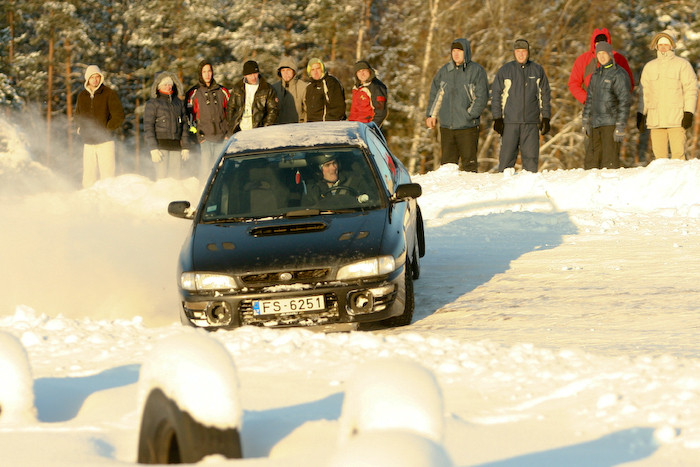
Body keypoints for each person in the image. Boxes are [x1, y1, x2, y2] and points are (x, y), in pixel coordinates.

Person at [425, 38, 489, 172]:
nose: (456, 54)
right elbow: (437, 95)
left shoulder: (476, 70)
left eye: (460, 51)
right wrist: (432, 115)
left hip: (467, 127)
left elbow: (481, 97)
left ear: (466, 52)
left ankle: (470, 192)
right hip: (447, 126)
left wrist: (469, 115)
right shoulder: (445, 71)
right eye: (454, 51)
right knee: (447, 167)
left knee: (469, 166)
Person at [491, 39, 551, 173]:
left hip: (530, 123)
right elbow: (496, 95)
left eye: (523, 52)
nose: (521, 55)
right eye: (518, 52)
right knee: (506, 161)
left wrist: (546, 117)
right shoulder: (505, 71)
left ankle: (529, 192)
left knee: (531, 163)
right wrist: (497, 118)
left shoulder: (537, 70)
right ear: (514, 53)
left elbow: (545, 95)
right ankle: (504, 190)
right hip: (510, 123)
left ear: (528, 53)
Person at [639, 31, 698, 160]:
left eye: (666, 44)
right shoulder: (649, 67)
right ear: (656, 46)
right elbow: (644, 93)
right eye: (661, 44)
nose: (663, 47)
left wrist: (689, 112)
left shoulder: (682, 65)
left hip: (676, 120)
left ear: (672, 46)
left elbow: (691, 89)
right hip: (656, 120)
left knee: (678, 157)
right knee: (660, 160)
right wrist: (641, 114)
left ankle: (681, 180)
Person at [582, 41, 631, 169]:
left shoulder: (619, 74)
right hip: (594, 124)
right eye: (599, 54)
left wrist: (620, 126)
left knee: (609, 163)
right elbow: (589, 99)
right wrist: (585, 120)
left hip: (610, 124)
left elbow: (624, 102)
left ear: (610, 54)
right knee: (591, 163)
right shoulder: (596, 74)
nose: (602, 56)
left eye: (604, 53)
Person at [74, 65, 125, 188]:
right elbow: (78, 114)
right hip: (88, 142)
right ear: (88, 79)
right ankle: (87, 199)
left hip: (105, 141)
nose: (95, 80)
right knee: (88, 175)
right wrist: (81, 127)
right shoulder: (82, 96)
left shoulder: (108, 93)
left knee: (107, 174)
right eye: (92, 77)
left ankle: (108, 199)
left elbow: (119, 115)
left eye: (98, 77)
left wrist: (106, 129)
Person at [185, 60, 231, 180]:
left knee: (222, 172)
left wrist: (228, 133)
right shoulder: (193, 93)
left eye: (209, 71)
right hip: (204, 139)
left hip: (222, 139)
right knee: (205, 172)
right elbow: (188, 118)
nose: (207, 74)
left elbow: (231, 114)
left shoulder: (223, 91)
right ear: (200, 74)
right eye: (204, 72)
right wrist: (198, 136)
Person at [143, 72, 191, 179]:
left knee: (176, 179)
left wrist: (185, 147)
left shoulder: (178, 103)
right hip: (161, 148)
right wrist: (153, 148)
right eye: (165, 84)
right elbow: (148, 127)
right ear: (159, 86)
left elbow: (184, 126)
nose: (168, 87)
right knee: (162, 179)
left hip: (176, 147)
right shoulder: (153, 103)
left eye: (170, 84)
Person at [568, 28, 634, 105]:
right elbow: (573, 83)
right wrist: (586, 99)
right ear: (594, 43)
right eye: (598, 42)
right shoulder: (583, 60)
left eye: (603, 42)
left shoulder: (618, 59)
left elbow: (628, 83)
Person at [227, 60, 279, 134]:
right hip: (239, 130)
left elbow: (273, 110)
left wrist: (265, 127)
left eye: (255, 73)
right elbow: (230, 107)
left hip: (259, 131)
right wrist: (232, 125)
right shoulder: (238, 88)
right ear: (245, 75)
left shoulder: (267, 89)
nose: (253, 77)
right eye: (250, 74)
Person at [303, 154, 374, 205]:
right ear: (318, 172)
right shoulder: (313, 190)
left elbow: (372, 201)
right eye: (327, 165)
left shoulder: (355, 180)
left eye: (334, 163)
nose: (333, 168)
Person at [348, 60, 388, 127]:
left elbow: (381, 112)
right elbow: (354, 110)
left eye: (364, 70)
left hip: (367, 127)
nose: (362, 73)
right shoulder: (357, 88)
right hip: (355, 126)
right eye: (359, 71)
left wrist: (373, 127)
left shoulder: (376, 87)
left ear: (369, 71)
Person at [271, 56, 307, 124]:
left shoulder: (303, 87)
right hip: (278, 129)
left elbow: (308, 111)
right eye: (283, 70)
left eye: (288, 70)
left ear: (294, 71)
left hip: (298, 128)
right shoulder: (274, 88)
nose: (285, 73)